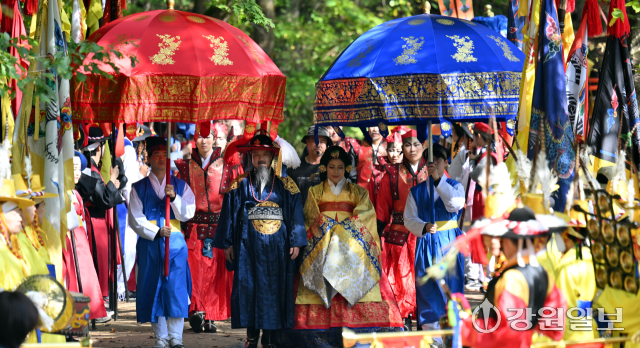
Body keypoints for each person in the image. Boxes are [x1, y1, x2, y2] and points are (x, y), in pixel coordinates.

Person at [288, 146, 403, 347]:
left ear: (346, 168)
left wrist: (342, 234)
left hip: (351, 249)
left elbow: (366, 216)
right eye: (331, 167)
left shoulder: (357, 191)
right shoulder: (315, 191)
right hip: (323, 247)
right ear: (324, 168)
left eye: (340, 167)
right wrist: (328, 231)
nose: (335, 171)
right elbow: (310, 217)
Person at [213, 133, 307, 348]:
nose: (261, 159)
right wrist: (228, 243)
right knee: (250, 289)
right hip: (248, 248)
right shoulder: (239, 184)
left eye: (265, 154)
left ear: (273, 158)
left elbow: (295, 215)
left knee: (276, 290)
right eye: (257, 155)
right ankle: (252, 337)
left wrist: (295, 241)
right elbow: (229, 214)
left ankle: (272, 339)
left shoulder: (286, 185)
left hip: (278, 248)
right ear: (251, 157)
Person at [461, 207, 566, 348]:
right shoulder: (544, 273)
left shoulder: (512, 279)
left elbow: (509, 334)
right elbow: (556, 324)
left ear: (510, 241)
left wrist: (465, 326)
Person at [174, 122, 242, 333]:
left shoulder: (228, 166)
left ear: (215, 138)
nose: (204, 140)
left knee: (214, 274)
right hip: (193, 228)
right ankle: (197, 312)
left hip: (218, 228)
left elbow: (234, 202)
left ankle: (210, 315)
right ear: (194, 139)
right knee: (195, 272)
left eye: (208, 136)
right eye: (200, 136)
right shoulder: (184, 167)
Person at [128, 136, 195, 348]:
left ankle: (176, 337)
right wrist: (156, 231)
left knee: (175, 290)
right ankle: (161, 337)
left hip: (174, 245)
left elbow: (189, 213)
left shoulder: (180, 185)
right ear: (148, 158)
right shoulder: (138, 188)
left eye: (163, 155)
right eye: (155, 155)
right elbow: (135, 219)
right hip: (150, 245)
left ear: (168, 157)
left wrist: (174, 198)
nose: (159, 158)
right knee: (153, 289)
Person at [404, 143, 465, 345]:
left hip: (449, 242)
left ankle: (453, 332)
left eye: (438, 160)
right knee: (427, 285)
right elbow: (409, 218)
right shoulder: (416, 191)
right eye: (430, 161)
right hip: (427, 243)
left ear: (446, 162)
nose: (434, 164)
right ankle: (432, 335)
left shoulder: (456, 186)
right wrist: (423, 227)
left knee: (451, 285)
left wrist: (439, 181)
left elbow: (455, 204)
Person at [375, 128, 428, 331]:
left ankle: (427, 321)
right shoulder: (393, 173)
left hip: (427, 235)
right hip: (400, 236)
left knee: (426, 279)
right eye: (407, 144)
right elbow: (382, 208)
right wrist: (377, 234)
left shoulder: (432, 171)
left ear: (424, 145)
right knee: (401, 280)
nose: (412, 148)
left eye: (416, 144)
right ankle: (403, 319)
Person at [76, 126, 124, 300]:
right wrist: (111, 182)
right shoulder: (90, 170)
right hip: (93, 219)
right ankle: (98, 300)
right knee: (97, 261)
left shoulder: (94, 168)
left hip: (98, 220)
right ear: (99, 147)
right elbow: (104, 199)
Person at [62, 151, 109, 322]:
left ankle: (92, 311)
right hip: (70, 238)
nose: (76, 172)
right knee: (74, 277)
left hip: (81, 238)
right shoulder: (64, 193)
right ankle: (76, 315)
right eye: (72, 168)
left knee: (87, 275)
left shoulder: (77, 193)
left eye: (78, 169)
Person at [289, 125, 332, 205]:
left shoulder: (333, 169)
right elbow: (288, 197)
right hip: (299, 216)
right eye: (314, 140)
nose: (318, 144)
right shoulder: (294, 167)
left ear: (326, 145)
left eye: (322, 141)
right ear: (307, 142)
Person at [469, 122, 495, 222]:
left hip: (482, 195)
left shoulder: (488, 154)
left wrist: (471, 160)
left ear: (479, 136)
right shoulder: (488, 151)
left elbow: (475, 175)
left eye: (474, 136)